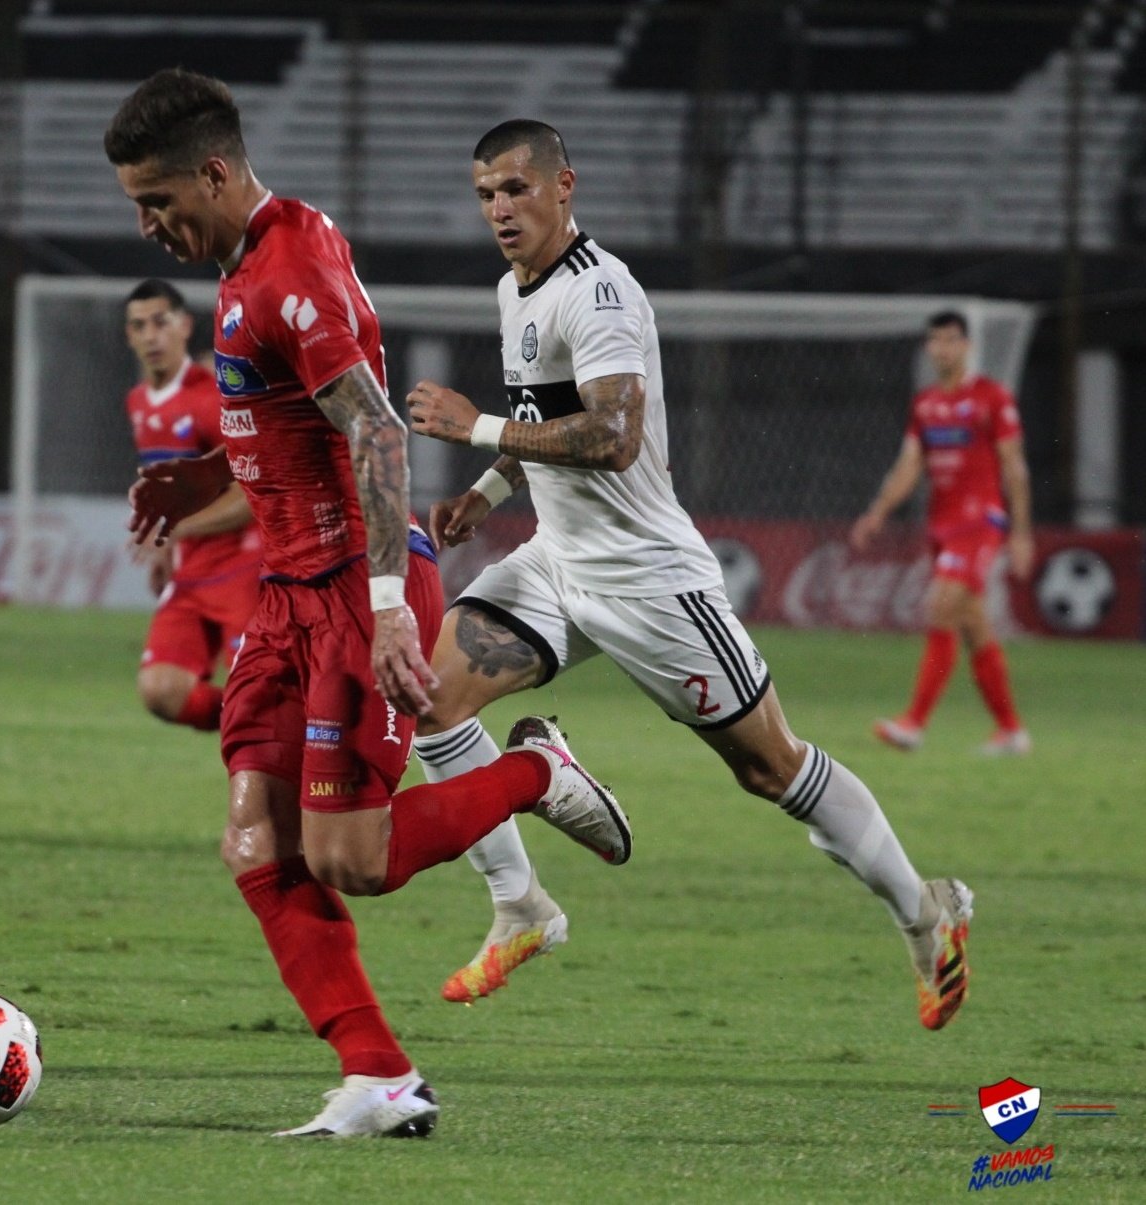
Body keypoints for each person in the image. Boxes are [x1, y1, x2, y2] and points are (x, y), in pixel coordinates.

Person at [106, 70, 630, 1139]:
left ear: (214, 171)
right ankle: (378, 1074)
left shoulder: (289, 268)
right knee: (258, 840)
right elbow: (284, 425)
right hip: (286, 592)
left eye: (159, 202)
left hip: (353, 587)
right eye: (136, 207)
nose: (150, 227)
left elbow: (378, 432)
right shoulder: (250, 258)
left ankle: (536, 769)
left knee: (352, 857)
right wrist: (200, 474)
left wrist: (391, 607)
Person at [405, 119, 973, 1031]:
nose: (499, 210)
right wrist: (488, 484)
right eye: (485, 194)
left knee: (771, 769)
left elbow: (612, 434)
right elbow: (544, 414)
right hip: (557, 562)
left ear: (563, 187)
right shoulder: (517, 291)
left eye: (515, 189)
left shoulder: (602, 294)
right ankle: (521, 904)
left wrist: (474, 430)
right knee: (428, 699)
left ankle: (923, 908)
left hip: (647, 580)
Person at [850, 311, 1034, 756]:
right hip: (943, 527)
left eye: (951, 340)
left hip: (980, 522)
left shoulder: (992, 397)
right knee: (974, 625)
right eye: (935, 341)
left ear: (967, 346)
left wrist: (1022, 532)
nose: (942, 349)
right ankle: (1012, 731)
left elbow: (1014, 466)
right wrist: (878, 511)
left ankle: (913, 724)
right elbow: (909, 465)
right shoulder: (926, 404)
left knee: (939, 607)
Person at [122, 277, 261, 732]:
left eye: (160, 322)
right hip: (191, 572)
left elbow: (250, 496)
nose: (150, 335)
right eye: (138, 326)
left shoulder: (211, 400)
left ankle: (273, 734)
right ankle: (272, 728)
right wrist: (167, 545)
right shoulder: (140, 401)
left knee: (257, 689)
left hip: (243, 567)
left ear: (184, 326)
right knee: (161, 689)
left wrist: (173, 530)